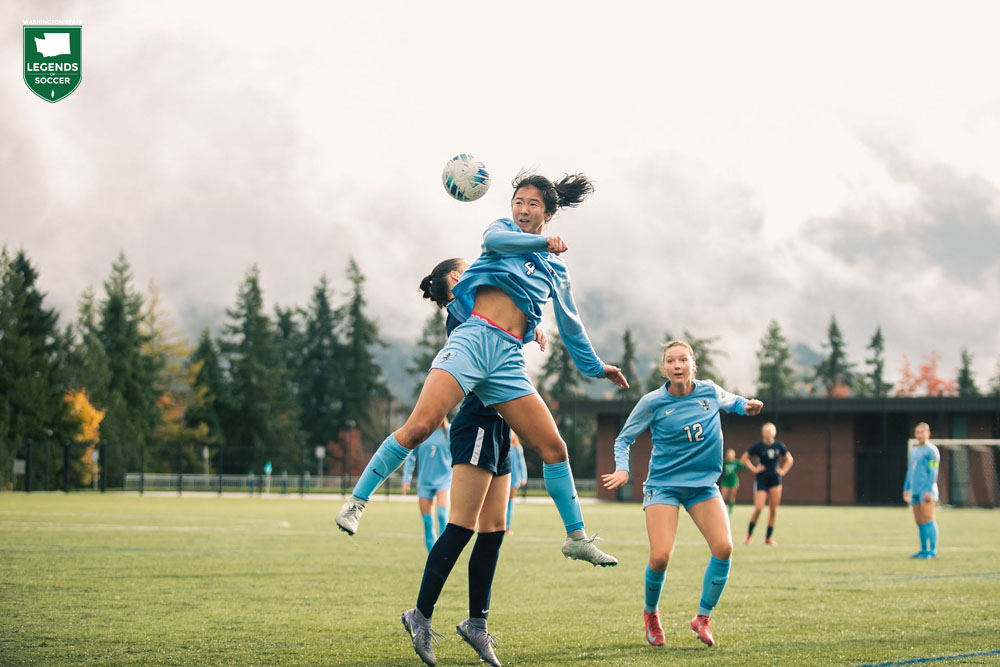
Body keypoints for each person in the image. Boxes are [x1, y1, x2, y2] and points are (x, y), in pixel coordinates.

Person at [602, 340, 763, 649]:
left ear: (693, 364)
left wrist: (748, 406)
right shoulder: (652, 402)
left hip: (702, 486)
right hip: (663, 485)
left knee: (724, 548)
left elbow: (733, 401)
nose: (677, 365)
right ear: (664, 368)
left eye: (683, 360)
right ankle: (651, 614)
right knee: (661, 556)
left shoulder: (709, 391)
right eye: (671, 361)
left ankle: (702, 618)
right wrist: (623, 469)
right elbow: (623, 439)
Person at [401, 418, 453, 552]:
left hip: (444, 479)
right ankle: (433, 556)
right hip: (424, 481)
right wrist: (406, 478)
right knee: (427, 522)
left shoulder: (449, 432)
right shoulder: (423, 432)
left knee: (442, 514)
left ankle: (444, 552)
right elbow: (411, 457)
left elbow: (457, 454)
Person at [741, 422, 793, 546]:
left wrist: (783, 471)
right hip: (761, 480)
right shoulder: (758, 446)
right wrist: (754, 469)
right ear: (763, 433)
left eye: (771, 431)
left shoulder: (779, 445)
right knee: (758, 508)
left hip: (775, 480)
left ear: (774, 432)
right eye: (766, 431)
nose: (769, 433)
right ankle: (748, 535)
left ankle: (768, 538)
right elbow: (744, 458)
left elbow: (789, 459)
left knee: (773, 510)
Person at [903, 422, 940, 559]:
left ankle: (933, 551)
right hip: (915, 491)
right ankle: (923, 550)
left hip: (927, 491)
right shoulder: (914, 451)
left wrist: (928, 490)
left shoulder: (932, 451)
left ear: (928, 434)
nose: (919, 435)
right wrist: (906, 488)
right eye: (917, 432)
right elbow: (910, 471)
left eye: (922, 432)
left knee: (929, 519)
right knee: (919, 521)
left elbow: (933, 471)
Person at [506, 432, 528, 534]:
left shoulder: (517, 448)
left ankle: (507, 526)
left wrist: (523, 477)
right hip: (503, 477)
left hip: (514, 479)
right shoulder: (502, 445)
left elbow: (521, 464)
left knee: (510, 502)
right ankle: (499, 526)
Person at [719, 449, 745, 516]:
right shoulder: (724, 462)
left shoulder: (736, 462)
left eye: (732, 454)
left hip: (734, 482)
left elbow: (743, 468)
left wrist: (742, 464)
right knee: (722, 497)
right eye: (729, 454)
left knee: (732, 497)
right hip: (725, 481)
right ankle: (721, 511)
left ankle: (730, 512)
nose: (730, 456)